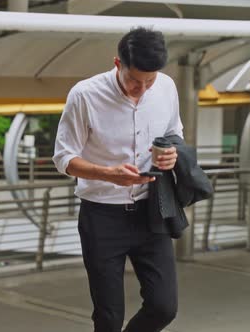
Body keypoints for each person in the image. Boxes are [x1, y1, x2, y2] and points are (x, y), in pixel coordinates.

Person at [52, 27, 183, 332]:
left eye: (149, 81)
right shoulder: (85, 95)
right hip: (102, 216)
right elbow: (63, 157)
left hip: (151, 212)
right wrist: (107, 173)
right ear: (117, 64)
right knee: (109, 317)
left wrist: (171, 154)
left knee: (164, 307)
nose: (143, 89)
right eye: (134, 81)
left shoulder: (166, 87)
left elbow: (175, 132)